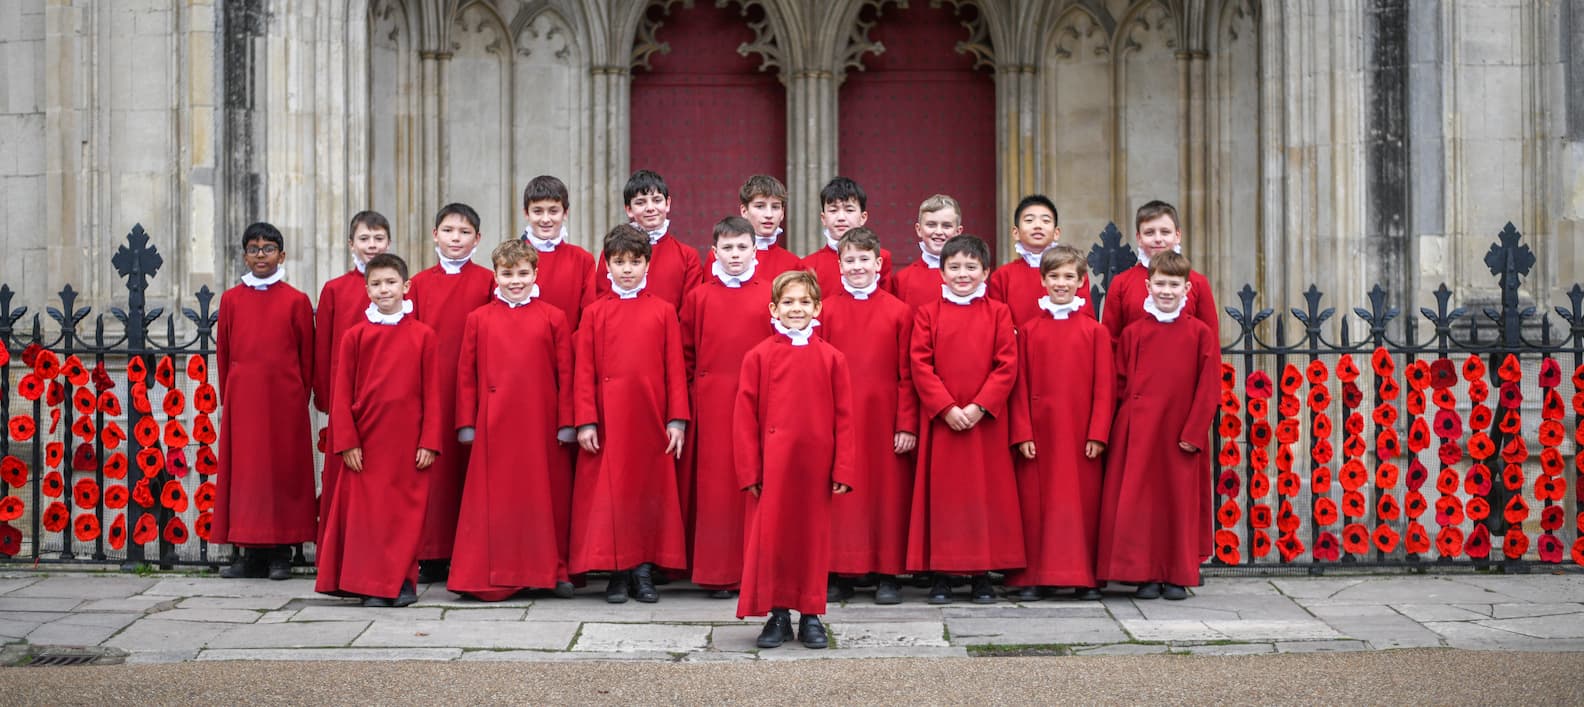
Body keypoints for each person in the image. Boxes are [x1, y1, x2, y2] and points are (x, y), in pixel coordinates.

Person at [447, 240, 576, 601]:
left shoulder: (554, 317)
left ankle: (551, 569)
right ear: (495, 276)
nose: (515, 281)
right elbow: (466, 375)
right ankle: (495, 571)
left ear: (536, 274)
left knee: (545, 500)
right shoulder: (478, 319)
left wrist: (567, 421)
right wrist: (466, 423)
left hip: (541, 423)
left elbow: (566, 373)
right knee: (496, 503)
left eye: (522, 273)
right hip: (494, 424)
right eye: (507, 274)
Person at [734, 270, 855, 649]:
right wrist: (750, 469)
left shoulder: (833, 358)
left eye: (804, 302)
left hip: (815, 466)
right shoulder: (758, 356)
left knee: (811, 540)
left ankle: (812, 614)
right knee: (774, 539)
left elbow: (845, 418)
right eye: (788, 302)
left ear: (818, 307)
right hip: (773, 465)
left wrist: (843, 467)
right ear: (773, 308)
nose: (796, 309)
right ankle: (778, 613)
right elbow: (744, 417)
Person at [572, 225, 690, 604]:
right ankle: (616, 573)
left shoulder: (663, 311)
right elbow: (584, 371)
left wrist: (676, 419)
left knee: (646, 494)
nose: (626, 270)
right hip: (608, 419)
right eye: (619, 262)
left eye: (634, 262)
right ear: (606, 266)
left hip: (650, 417)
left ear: (647, 265)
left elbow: (675, 368)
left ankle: (643, 571)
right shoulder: (594, 313)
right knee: (612, 496)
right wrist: (586, 419)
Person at [317, 253, 442, 607]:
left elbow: (433, 392)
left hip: (408, 442)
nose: (383, 289)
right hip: (367, 443)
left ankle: (403, 582)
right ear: (366, 289)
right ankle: (370, 583)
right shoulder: (355, 336)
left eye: (390, 283)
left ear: (406, 286)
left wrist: (430, 440)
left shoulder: (424, 336)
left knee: (405, 514)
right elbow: (342, 394)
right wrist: (347, 441)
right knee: (368, 516)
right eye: (375, 284)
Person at [1096, 250, 1219, 601]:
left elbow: (1209, 387)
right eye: (1160, 284)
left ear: (1187, 289)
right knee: (1142, 504)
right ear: (1148, 286)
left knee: (1176, 504)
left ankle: (1176, 574)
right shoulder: (1134, 332)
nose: (1167, 291)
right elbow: (1119, 381)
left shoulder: (1200, 334)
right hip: (1139, 432)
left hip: (1179, 433)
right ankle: (1145, 573)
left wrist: (1194, 432)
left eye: (1174, 284)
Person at [907, 235, 1024, 604]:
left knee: (983, 498)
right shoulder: (928, 313)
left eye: (971, 267)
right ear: (941, 272)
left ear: (985, 271)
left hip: (983, 423)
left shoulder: (999, 313)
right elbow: (920, 364)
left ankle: (982, 575)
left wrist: (979, 406)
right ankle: (942, 573)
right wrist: (945, 407)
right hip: (944, 422)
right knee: (945, 500)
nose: (963, 274)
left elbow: (1007, 364)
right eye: (954, 267)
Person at [1007, 245, 1114, 601]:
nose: (1061, 283)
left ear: (1082, 282)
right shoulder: (1029, 330)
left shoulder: (1095, 332)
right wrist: (1022, 430)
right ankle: (1036, 576)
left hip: (1081, 433)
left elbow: (1105, 387)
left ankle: (1083, 576)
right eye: (1054, 276)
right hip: (1040, 433)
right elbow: (1018, 386)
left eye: (1069, 276)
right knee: (1037, 507)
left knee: (1080, 506)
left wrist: (1098, 432)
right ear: (1042, 281)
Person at [819, 227, 918, 604]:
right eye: (850, 260)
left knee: (885, 495)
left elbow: (907, 375)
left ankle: (887, 573)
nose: (857, 266)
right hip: (840, 415)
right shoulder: (825, 309)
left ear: (879, 264)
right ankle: (840, 571)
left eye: (864, 259)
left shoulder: (899, 312)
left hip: (884, 417)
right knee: (843, 494)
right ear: (839, 264)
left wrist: (906, 424)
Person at [213, 222, 317, 580]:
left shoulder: (297, 301)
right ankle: (246, 553)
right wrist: (231, 393)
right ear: (244, 255)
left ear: (281, 255)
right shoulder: (230, 300)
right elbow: (223, 351)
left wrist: (297, 397)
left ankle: (281, 554)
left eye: (268, 249)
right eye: (254, 249)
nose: (261, 255)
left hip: (284, 402)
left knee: (282, 475)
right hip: (243, 401)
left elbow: (307, 356)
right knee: (245, 477)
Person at [679, 216, 775, 598]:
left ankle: (757, 568)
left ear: (755, 250)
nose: (735, 255)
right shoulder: (698, 297)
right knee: (718, 489)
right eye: (727, 248)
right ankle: (718, 572)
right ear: (714, 252)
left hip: (759, 400)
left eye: (742, 247)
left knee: (756, 483)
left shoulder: (771, 293)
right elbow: (685, 355)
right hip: (713, 403)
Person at [408, 203, 495, 585]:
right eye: (448, 231)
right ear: (435, 235)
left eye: (464, 232)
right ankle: (432, 555)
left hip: (474, 385)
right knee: (434, 473)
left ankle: (470, 551)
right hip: (432, 386)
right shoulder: (420, 284)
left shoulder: (489, 280)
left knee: (471, 470)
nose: (455, 239)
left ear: (477, 239)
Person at [312, 211, 392, 549]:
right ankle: (338, 549)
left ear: (388, 243)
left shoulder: (399, 287)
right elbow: (324, 348)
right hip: (347, 402)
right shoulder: (335, 290)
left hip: (387, 402)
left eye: (378, 239)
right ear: (351, 244)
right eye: (364, 239)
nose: (371, 246)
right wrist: (329, 401)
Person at [1100, 200, 1217, 340]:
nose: (1158, 239)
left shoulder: (1198, 282)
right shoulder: (1121, 283)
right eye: (1149, 233)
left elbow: (1210, 339)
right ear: (1139, 238)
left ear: (1177, 235)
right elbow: (1111, 341)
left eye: (1165, 232)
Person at [590, 169, 703, 309]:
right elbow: (602, 302)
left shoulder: (687, 256)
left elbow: (690, 311)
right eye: (640, 202)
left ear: (667, 204)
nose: (650, 208)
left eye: (657, 200)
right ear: (629, 209)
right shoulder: (614, 252)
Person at [988, 194, 1094, 325]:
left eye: (1045, 221)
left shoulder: (1073, 272)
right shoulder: (1002, 276)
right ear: (1016, 232)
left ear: (1056, 233)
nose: (1038, 226)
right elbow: (996, 323)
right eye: (1029, 220)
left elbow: (1086, 321)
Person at [519, 175, 596, 329]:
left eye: (553, 211)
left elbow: (588, 319)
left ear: (565, 213)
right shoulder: (511, 258)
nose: (546, 219)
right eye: (538, 211)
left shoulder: (582, 260)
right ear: (526, 213)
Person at [799, 177, 894, 295]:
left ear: (863, 217)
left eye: (849, 210)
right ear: (823, 218)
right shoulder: (809, 265)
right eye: (833, 210)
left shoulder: (881, 257)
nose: (841, 218)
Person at [702, 175, 802, 278]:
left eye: (775, 207)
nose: (769, 214)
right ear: (744, 211)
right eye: (760, 206)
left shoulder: (793, 263)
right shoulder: (722, 255)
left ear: (782, 213)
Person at [891, 194, 963, 309]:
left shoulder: (968, 276)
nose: (939, 231)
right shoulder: (902, 279)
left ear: (958, 232)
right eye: (931, 225)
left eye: (946, 226)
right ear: (919, 229)